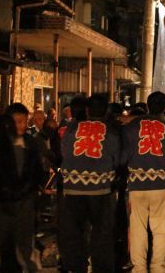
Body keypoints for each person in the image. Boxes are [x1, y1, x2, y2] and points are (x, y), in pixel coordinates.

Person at [59, 95, 121, 272]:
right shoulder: (110, 131)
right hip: (100, 188)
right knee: (101, 233)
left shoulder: (72, 128)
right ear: (106, 111)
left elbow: (64, 151)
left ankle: (76, 267)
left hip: (73, 187)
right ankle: (101, 267)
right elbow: (116, 158)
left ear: (87, 110)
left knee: (75, 232)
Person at [122, 91, 165, 273]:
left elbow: (123, 156)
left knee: (138, 228)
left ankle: (138, 268)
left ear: (147, 105)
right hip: (161, 184)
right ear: (164, 107)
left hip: (136, 184)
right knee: (160, 229)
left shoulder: (132, 126)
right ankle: (158, 267)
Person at [0, 104, 44, 272]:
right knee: (0, 242)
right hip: (0, 203)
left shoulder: (30, 143)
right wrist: (4, 192)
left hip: (25, 202)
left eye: (24, 121)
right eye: (17, 121)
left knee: (24, 241)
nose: (22, 125)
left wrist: (28, 190)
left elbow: (37, 171)